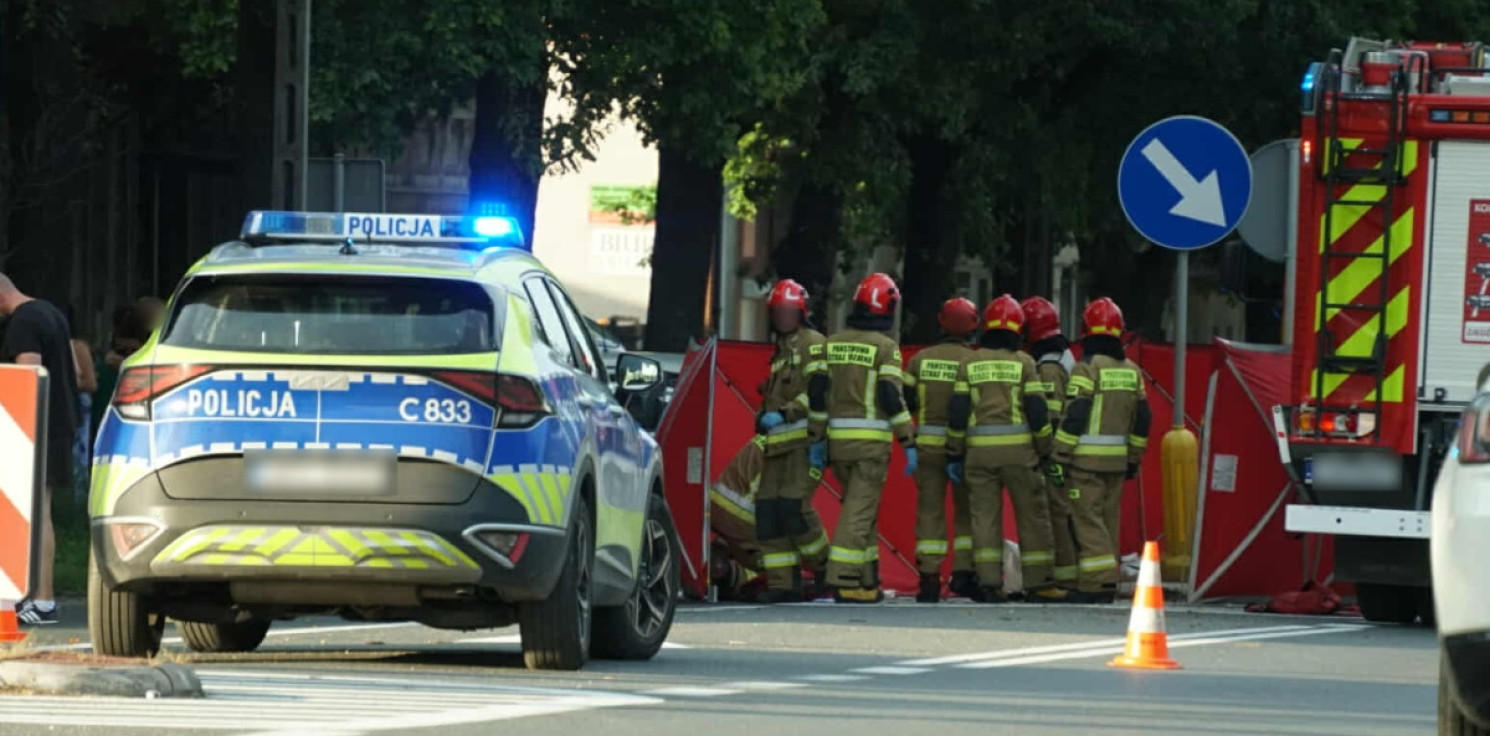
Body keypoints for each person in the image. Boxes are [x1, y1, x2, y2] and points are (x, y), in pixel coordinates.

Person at [808, 273, 915, 604]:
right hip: (870, 445)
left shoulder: (831, 344)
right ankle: (842, 578)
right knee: (858, 512)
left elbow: (817, 393)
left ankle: (868, 580)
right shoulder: (885, 348)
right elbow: (890, 395)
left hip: (837, 443)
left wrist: (816, 437)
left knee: (863, 511)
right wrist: (908, 440)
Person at [947, 295, 1061, 603]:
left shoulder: (969, 363)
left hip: (978, 456)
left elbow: (957, 413)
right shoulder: (1023, 362)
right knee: (1032, 516)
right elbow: (1037, 412)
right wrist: (1045, 448)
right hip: (1020, 455)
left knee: (984, 518)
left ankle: (988, 582)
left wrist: (955, 452)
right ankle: (1040, 583)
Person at [1052, 297, 1152, 604]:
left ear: (1086, 332)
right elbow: (1143, 418)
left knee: (1087, 519)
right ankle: (1107, 582)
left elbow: (1077, 415)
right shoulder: (1132, 371)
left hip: (1086, 463)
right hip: (1117, 463)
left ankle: (1096, 583)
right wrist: (1133, 457)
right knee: (1108, 520)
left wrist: (1059, 454)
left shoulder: (1087, 368)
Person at [0, 273, 80, 625]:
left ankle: (42, 601)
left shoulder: (23, 322)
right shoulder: (50, 313)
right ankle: (36, 597)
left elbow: (26, 377)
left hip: (34, 429)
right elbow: (76, 371)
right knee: (39, 512)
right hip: (60, 425)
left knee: (34, 514)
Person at [753, 279, 831, 602]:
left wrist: (786, 413)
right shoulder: (781, 351)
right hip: (776, 446)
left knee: (794, 508)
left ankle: (827, 569)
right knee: (768, 511)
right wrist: (761, 416)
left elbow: (818, 389)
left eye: (787, 312)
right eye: (777, 312)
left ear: (800, 312)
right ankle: (783, 584)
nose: (781, 318)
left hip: (802, 443)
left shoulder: (813, 343)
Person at [903, 297, 980, 603]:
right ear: (973, 325)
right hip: (964, 449)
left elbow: (907, 401)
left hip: (927, 448)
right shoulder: (975, 362)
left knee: (929, 511)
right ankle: (963, 574)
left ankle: (930, 579)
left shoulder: (920, 360)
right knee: (966, 513)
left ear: (941, 321)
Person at [709, 435, 831, 601]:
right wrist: (825, 565)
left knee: (758, 554)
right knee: (787, 552)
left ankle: (725, 572)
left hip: (721, 507)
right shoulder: (808, 451)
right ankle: (784, 585)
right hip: (746, 513)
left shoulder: (780, 433)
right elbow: (797, 509)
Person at [1020, 296, 1078, 590]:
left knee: (1058, 512)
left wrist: (1048, 456)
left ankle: (1065, 578)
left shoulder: (1049, 366)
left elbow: (1050, 415)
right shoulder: (1064, 356)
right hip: (1072, 450)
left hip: (1058, 452)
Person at [59, 304, 98, 506]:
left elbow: (91, 383)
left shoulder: (78, 347)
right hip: (60, 404)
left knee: (79, 452)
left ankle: (79, 499)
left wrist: (62, 381)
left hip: (79, 403)